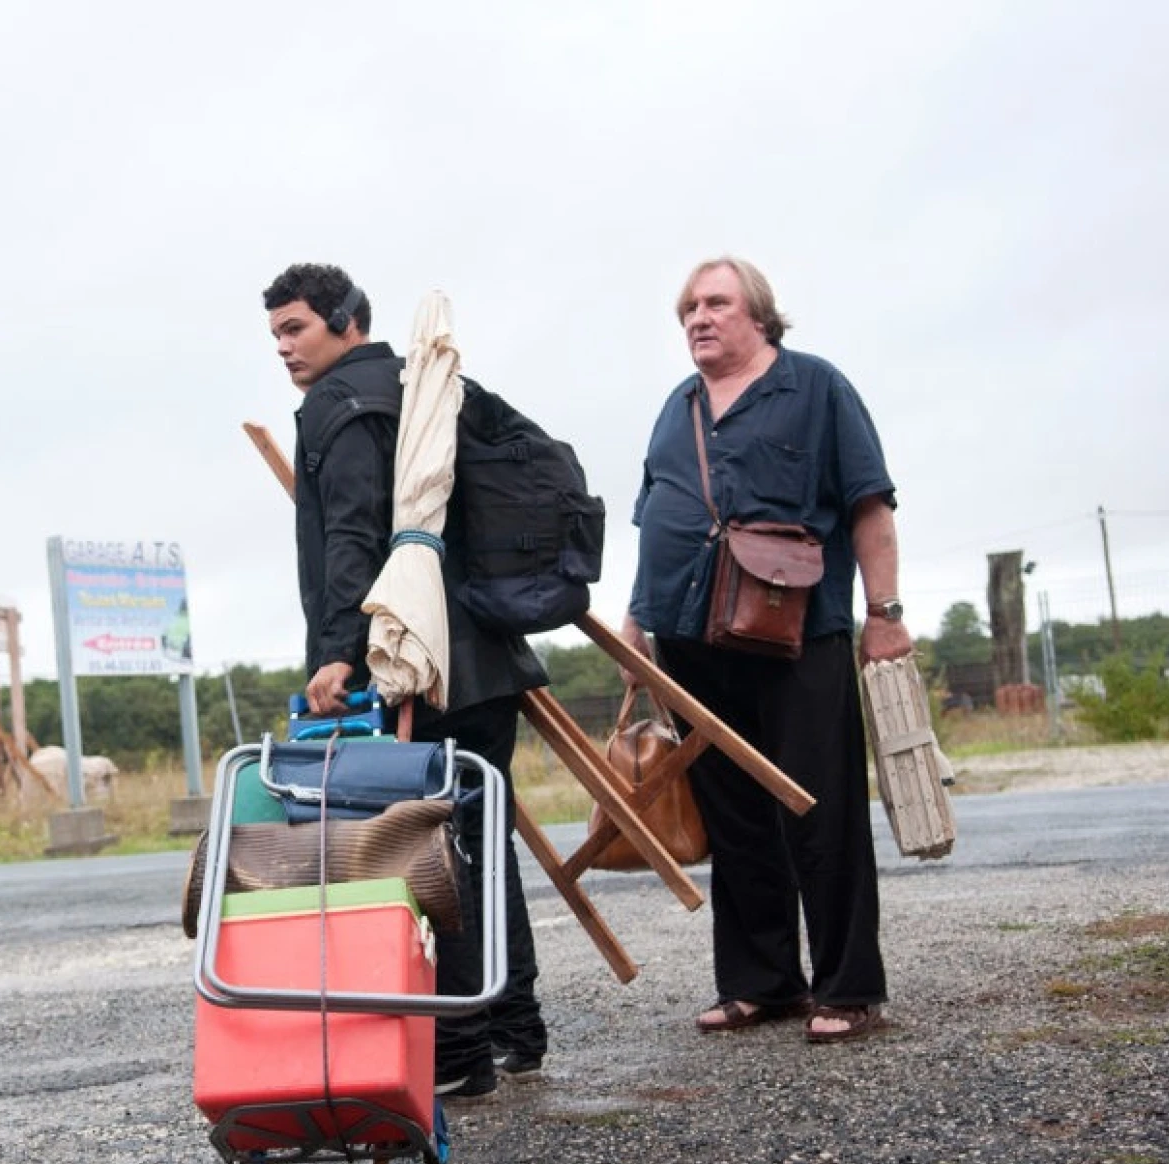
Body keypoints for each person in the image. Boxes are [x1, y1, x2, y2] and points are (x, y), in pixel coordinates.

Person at [262, 261, 550, 1097]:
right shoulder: (428, 381)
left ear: (348, 319)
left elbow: (352, 531)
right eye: (276, 334)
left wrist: (337, 651)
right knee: (478, 841)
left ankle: (460, 1056)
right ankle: (514, 1030)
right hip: (486, 654)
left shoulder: (341, 404)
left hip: (413, 659)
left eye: (296, 329)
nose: (283, 348)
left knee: (426, 849)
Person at [620, 255, 912, 1044]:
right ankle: (762, 984)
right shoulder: (676, 408)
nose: (698, 319)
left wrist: (883, 613)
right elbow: (657, 521)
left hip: (798, 633)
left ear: (759, 315)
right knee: (734, 815)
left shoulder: (816, 387)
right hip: (688, 637)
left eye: (716, 304)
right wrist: (636, 622)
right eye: (687, 309)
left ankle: (848, 989)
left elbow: (870, 506)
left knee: (822, 809)